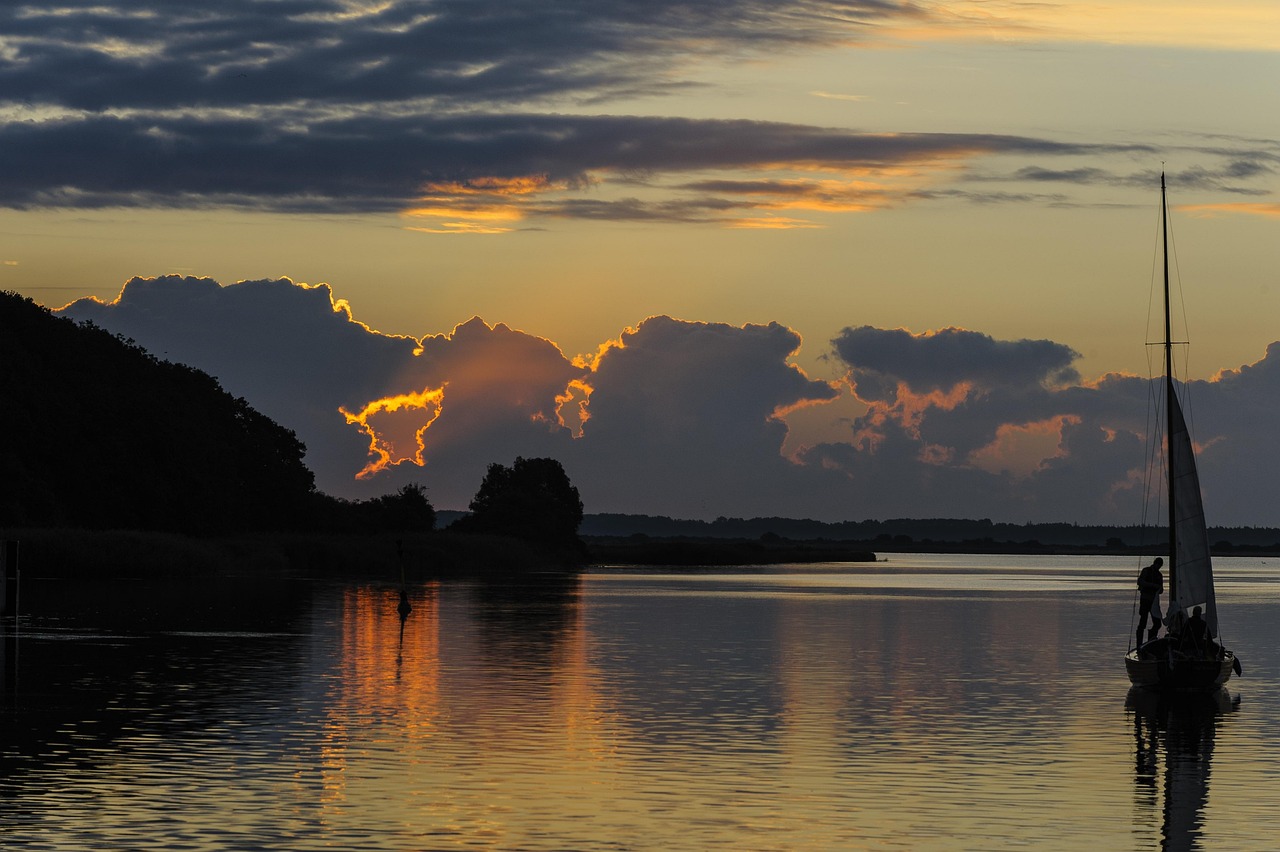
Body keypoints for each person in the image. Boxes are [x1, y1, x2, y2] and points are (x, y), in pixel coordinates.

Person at [1136, 557, 1164, 646]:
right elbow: (1140, 581)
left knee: (1157, 623)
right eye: (1158, 565)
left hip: (1154, 602)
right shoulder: (1146, 571)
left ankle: (1151, 642)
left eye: (1160, 566)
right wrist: (1152, 585)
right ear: (1154, 563)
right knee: (1142, 623)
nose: (1158, 567)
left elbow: (1161, 589)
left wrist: (1159, 588)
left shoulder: (1159, 575)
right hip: (1145, 600)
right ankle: (1139, 645)